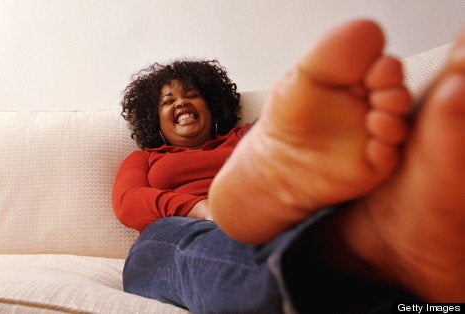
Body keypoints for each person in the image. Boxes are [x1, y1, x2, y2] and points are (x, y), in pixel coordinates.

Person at [112, 19, 464, 313]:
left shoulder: (245, 139)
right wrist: (202, 208)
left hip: (268, 226)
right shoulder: (145, 158)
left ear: (212, 104)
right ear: (153, 120)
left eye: (192, 95)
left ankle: (358, 234)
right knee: (176, 243)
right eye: (168, 100)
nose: (182, 103)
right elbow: (129, 202)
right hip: (175, 233)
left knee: (273, 231)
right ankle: (367, 236)